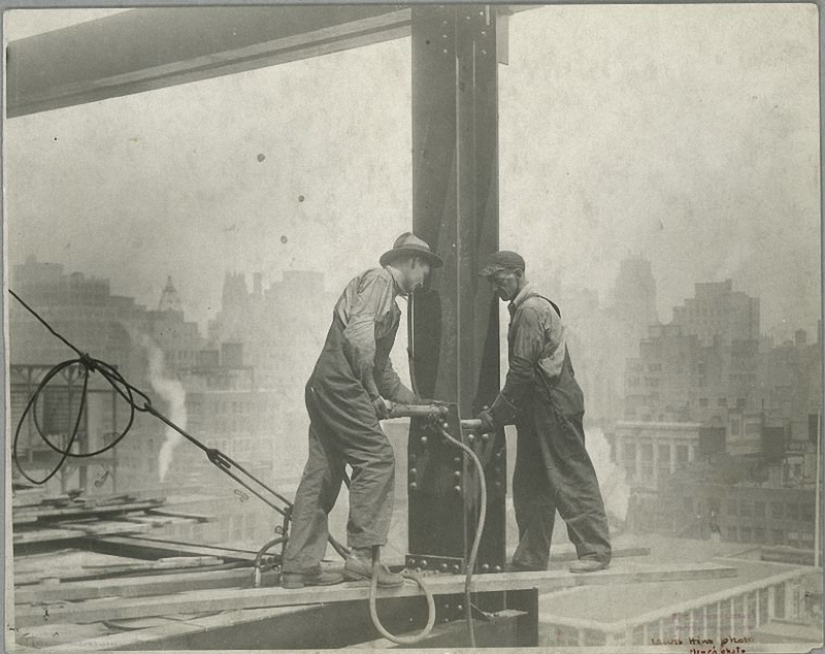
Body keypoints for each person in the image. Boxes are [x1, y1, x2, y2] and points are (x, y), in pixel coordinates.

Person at [281, 233, 443, 589]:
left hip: (325, 384)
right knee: (378, 457)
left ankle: (299, 566)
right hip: (342, 384)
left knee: (322, 470)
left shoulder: (394, 308)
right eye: (425, 270)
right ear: (414, 262)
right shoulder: (379, 280)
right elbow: (359, 340)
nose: (424, 279)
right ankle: (360, 558)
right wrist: (371, 395)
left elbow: (382, 369)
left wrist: (418, 402)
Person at [476, 251, 612, 574]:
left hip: (553, 407)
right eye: (492, 282)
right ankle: (531, 556)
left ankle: (595, 550)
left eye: (499, 279)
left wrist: (494, 416)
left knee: (570, 476)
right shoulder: (528, 308)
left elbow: (521, 372)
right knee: (530, 484)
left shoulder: (530, 311)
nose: (496, 287)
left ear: (517, 273)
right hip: (540, 409)